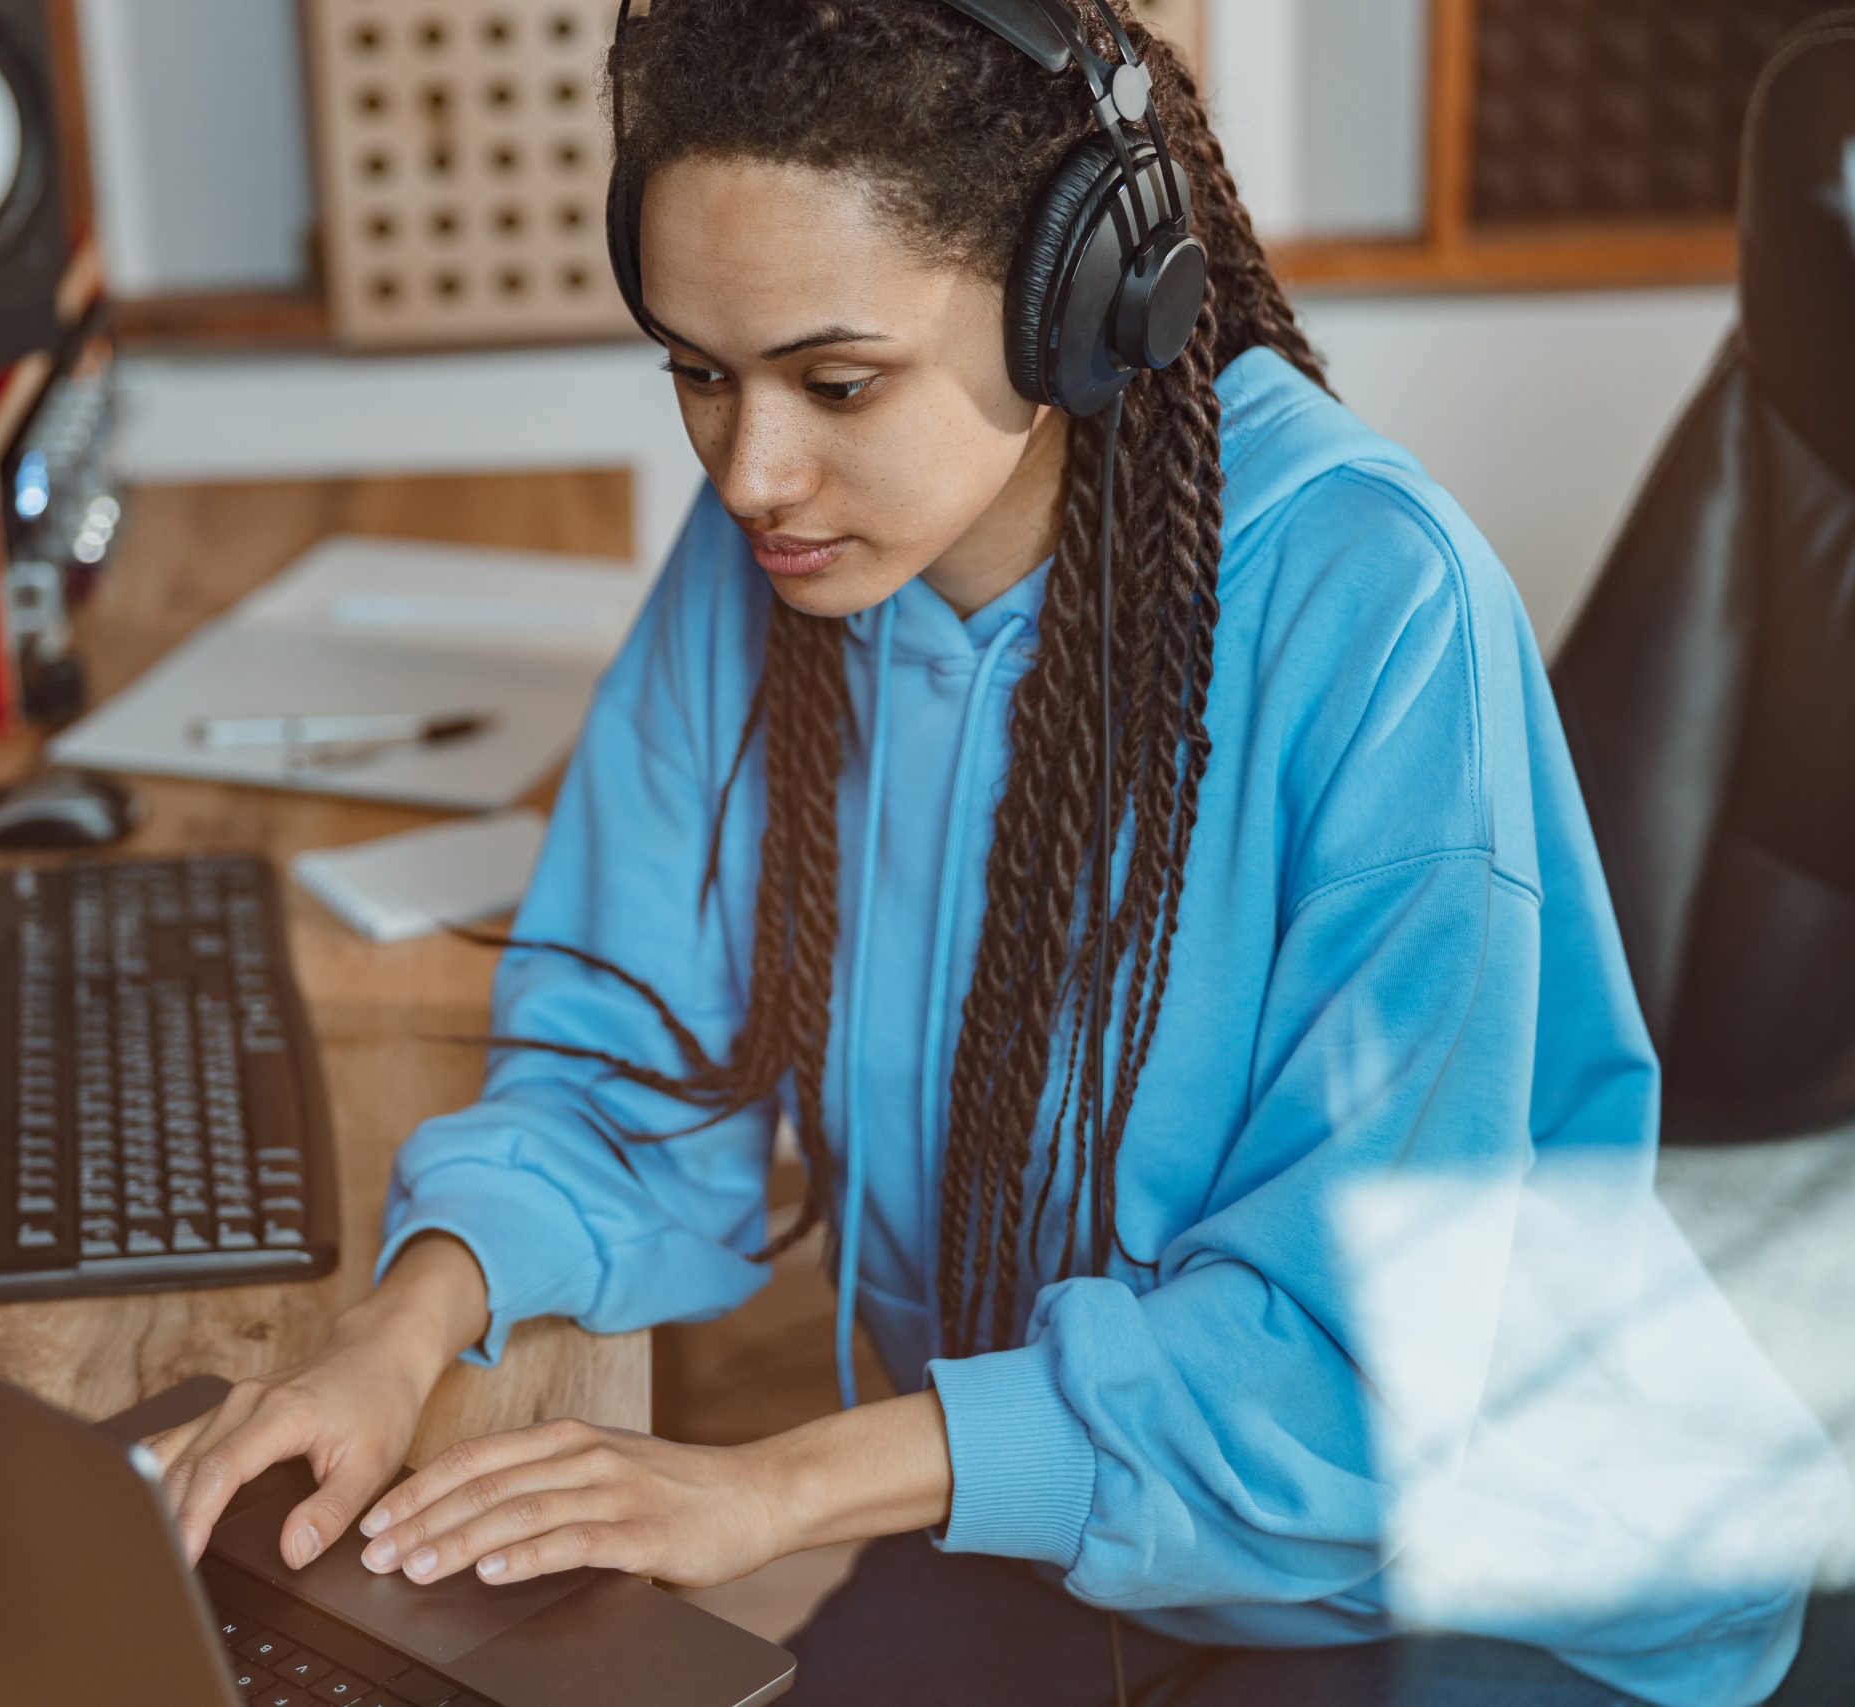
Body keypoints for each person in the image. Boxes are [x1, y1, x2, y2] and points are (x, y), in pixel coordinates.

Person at [148, 3, 1849, 1702]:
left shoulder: (1378, 610)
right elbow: (625, 1054)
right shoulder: (806, 545)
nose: (751, 469)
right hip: (1076, 1513)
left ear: (1083, 309)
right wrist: (399, 1333)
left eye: (837, 380)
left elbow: (1365, 1376)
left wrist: (781, 1486)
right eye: (696, 371)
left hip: (1474, 1577)